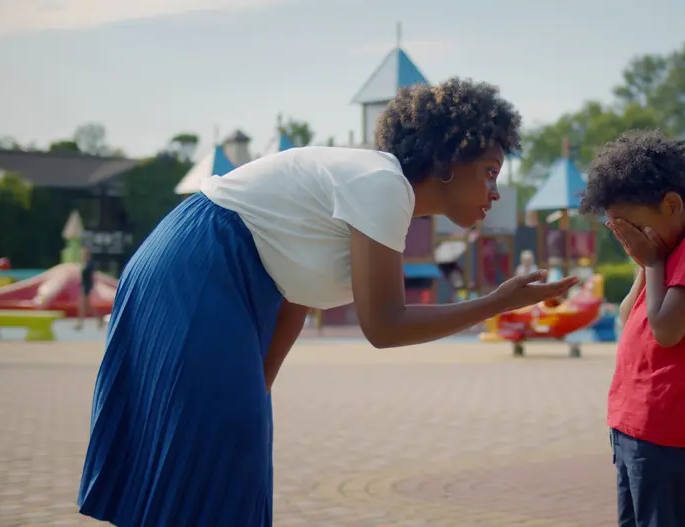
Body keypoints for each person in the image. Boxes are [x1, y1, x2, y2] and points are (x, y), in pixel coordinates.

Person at [77, 78, 580, 527]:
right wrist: (495, 303)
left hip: (199, 263)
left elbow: (297, 293)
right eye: (489, 171)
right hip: (198, 265)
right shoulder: (384, 184)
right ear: (449, 163)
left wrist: (257, 393)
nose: (495, 191)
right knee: (210, 463)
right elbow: (384, 326)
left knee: (223, 453)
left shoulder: (380, 196)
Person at [579, 129, 685, 527]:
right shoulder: (668, 250)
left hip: (665, 424)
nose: (630, 237)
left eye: (634, 226)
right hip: (633, 421)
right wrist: (646, 263)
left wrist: (652, 262)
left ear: (671, 204)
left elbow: (666, 330)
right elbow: (627, 314)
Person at [75, 246, 102, 330]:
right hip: (84, 286)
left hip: (86, 287)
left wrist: (89, 287)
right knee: (87, 306)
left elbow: (91, 277)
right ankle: (98, 319)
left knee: (83, 306)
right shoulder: (84, 263)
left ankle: (80, 323)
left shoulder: (89, 264)